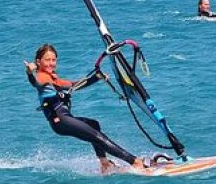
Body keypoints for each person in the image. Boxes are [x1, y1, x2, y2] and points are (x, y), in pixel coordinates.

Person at [25, 43, 146, 175]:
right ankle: (134, 161)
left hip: (64, 118)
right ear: (38, 61)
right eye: (47, 60)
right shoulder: (41, 77)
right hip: (60, 119)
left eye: (53, 60)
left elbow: (73, 85)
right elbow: (35, 82)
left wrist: (95, 78)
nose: (51, 63)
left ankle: (104, 164)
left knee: (94, 124)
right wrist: (30, 72)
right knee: (96, 136)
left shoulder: (53, 78)